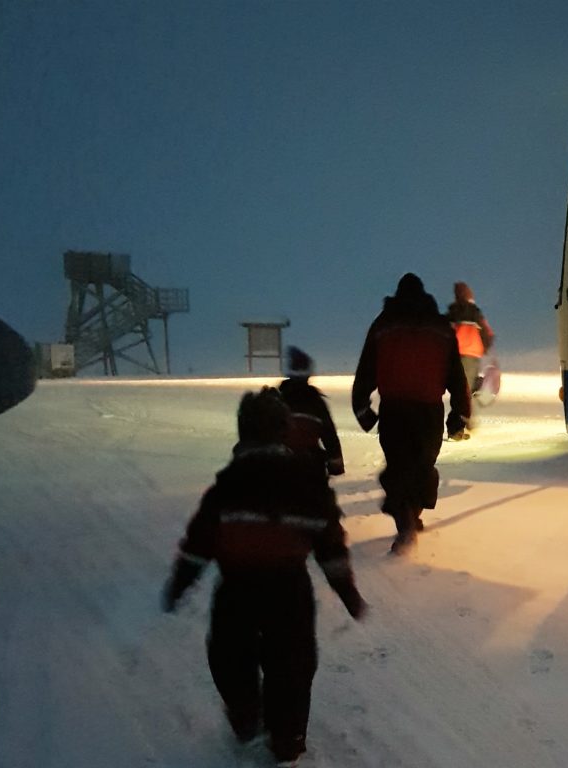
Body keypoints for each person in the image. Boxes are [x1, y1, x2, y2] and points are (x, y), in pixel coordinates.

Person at [162, 387, 367, 766]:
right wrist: (347, 592)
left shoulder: (225, 489)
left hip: (236, 590)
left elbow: (197, 546)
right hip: (289, 590)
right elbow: (331, 547)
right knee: (293, 663)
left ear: (242, 433)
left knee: (229, 657)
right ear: (284, 432)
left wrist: (179, 584)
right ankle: (287, 741)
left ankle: (245, 717)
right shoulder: (309, 488)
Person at [352, 273, 471, 555]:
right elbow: (456, 375)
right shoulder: (440, 327)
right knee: (421, 466)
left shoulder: (383, 324)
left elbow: (366, 369)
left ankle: (405, 518)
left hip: (394, 409)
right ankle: (410, 515)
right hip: (429, 410)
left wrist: (363, 411)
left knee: (398, 466)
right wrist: (459, 416)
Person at [278, 346, 345, 477]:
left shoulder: (277, 400)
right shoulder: (316, 403)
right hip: (311, 465)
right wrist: (336, 464)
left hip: (280, 464)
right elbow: (329, 434)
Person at [445, 281, 495, 413]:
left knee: (459, 390)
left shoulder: (451, 313)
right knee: (466, 389)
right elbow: (488, 333)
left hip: (455, 354)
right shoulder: (475, 313)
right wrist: (485, 348)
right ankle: (466, 420)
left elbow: (443, 333)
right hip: (472, 355)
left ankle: (461, 423)